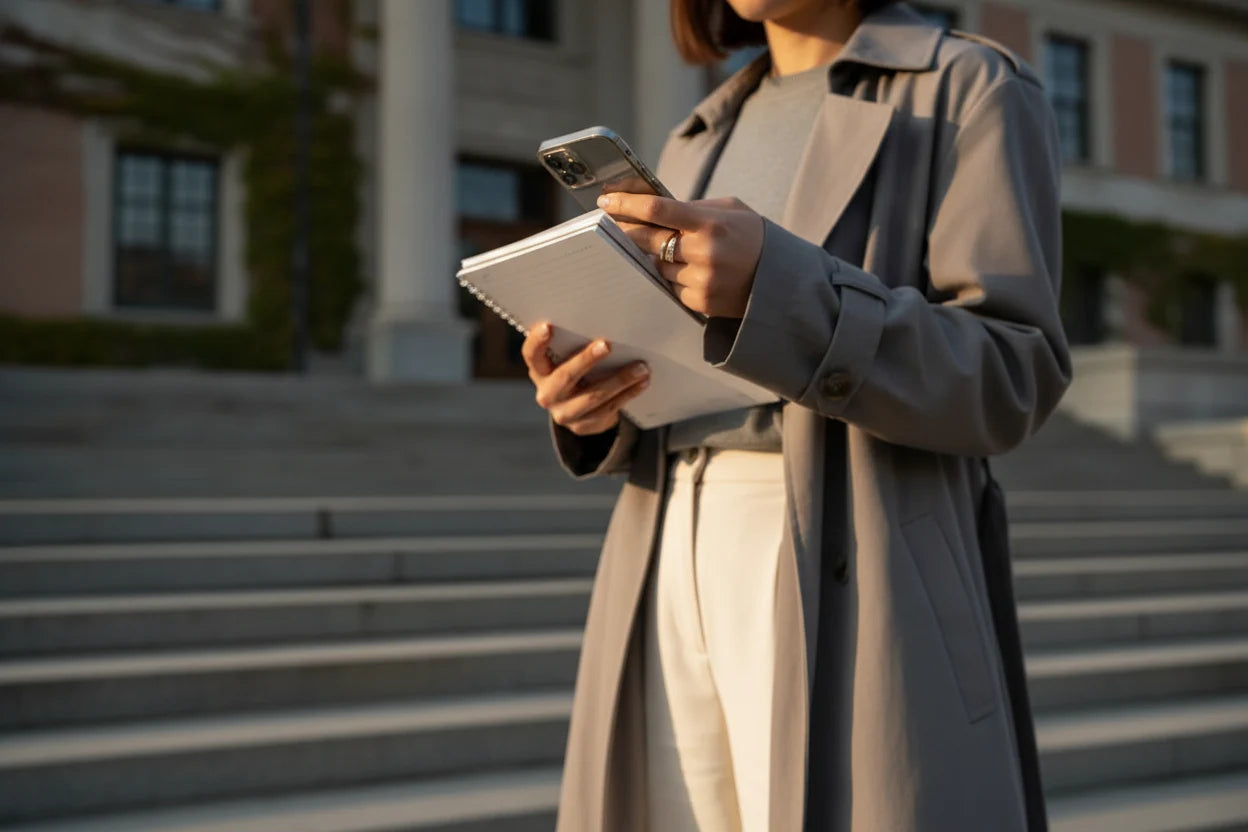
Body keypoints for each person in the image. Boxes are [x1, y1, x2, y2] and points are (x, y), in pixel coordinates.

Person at [521, 0, 1070, 829]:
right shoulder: (696, 133)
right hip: (667, 538)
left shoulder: (969, 85)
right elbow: (685, 359)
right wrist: (599, 409)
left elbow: (1013, 372)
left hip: (852, 536)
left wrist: (782, 291)